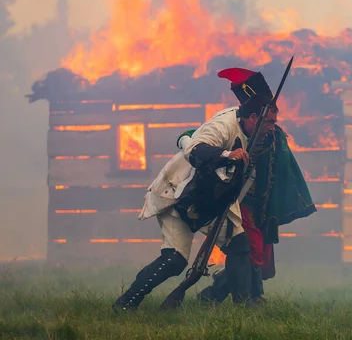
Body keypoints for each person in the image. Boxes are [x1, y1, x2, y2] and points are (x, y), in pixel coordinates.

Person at [112, 67, 316, 311]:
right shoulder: (222, 125)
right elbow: (195, 150)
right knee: (175, 261)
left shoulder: (261, 134)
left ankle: (243, 310)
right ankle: (126, 303)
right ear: (254, 118)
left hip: (217, 198)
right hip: (180, 194)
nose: (273, 127)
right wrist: (229, 154)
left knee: (241, 247)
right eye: (270, 122)